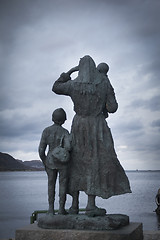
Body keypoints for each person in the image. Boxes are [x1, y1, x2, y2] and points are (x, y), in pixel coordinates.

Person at [52, 55, 131, 217]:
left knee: (77, 163)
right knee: (95, 163)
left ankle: (74, 206)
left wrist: (71, 71)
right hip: (97, 127)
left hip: (79, 126)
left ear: (81, 69)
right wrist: (107, 91)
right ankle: (90, 205)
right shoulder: (103, 83)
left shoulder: (73, 84)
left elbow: (56, 86)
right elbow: (113, 108)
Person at [38, 108, 71, 215]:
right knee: (63, 185)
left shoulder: (46, 131)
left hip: (50, 162)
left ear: (53, 118)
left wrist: (45, 161)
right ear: (64, 120)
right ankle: (61, 209)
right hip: (63, 163)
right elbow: (69, 147)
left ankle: (51, 209)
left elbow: (41, 150)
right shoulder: (65, 132)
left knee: (51, 185)